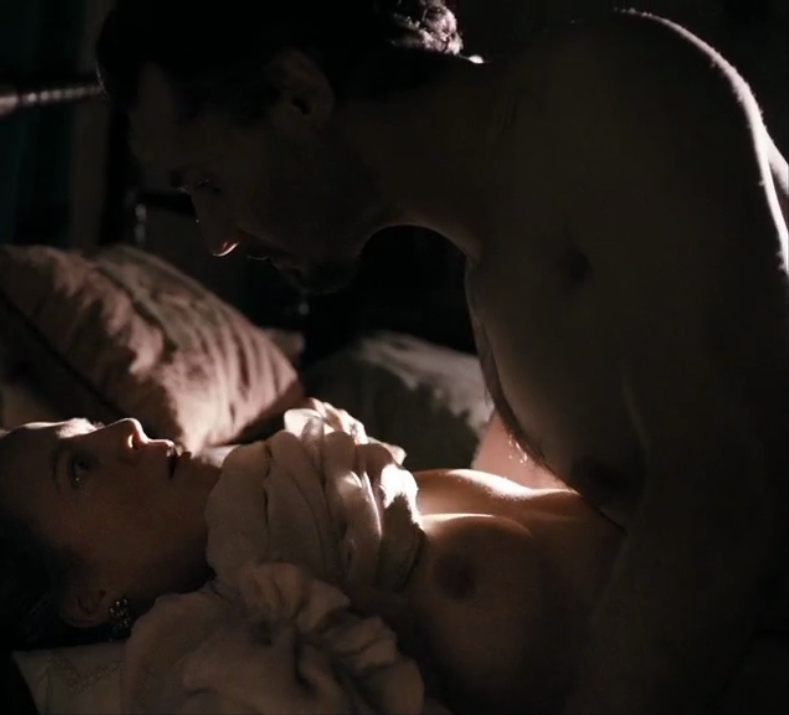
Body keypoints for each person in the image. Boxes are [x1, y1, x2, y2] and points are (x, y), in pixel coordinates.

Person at [92, 1, 789, 712]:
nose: (215, 237)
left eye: (209, 181)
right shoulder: (492, 270)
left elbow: (721, 488)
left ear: (298, 95)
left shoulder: (608, 90)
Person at [0, 409, 630, 713]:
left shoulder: (307, 491)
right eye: (79, 467)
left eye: (93, 423)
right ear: (89, 595)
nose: (125, 427)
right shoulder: (265, 662)